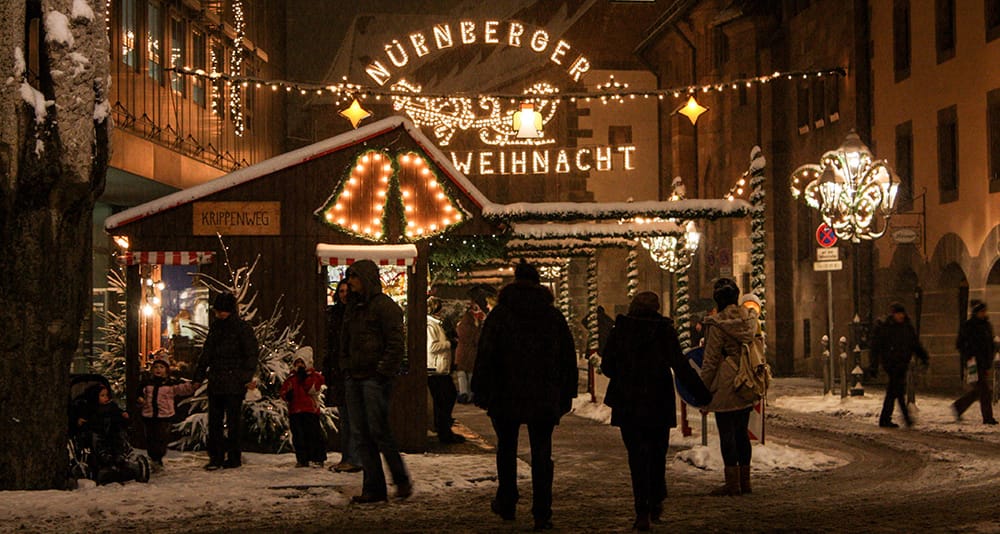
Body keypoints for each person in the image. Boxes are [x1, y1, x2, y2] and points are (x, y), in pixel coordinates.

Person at [472, 259, 577, 531]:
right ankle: (542, 510)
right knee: (542, 453)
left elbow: (486, 354)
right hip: (543, 395)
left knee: (506, 449)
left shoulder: (500, 314)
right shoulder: (552, 316)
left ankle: (507, 500)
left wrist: (481, 390)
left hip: (505, 393)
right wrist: (566, 394)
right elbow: (567, 356)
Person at [602, 292, 711, 531]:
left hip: (628, 402)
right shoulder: (664, 331)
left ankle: (642, 509)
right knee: (656, 453)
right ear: (657, 308)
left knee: (637, 457)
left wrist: (626, 369)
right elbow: (681, 366)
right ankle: (656, 499)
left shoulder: (620, 330)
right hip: (657, 401)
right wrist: (702, 394)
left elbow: (606, 366)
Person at [341, 259, 412, 503]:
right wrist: (347, 366)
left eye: (355, 277)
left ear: (367, 279)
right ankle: (374, 487)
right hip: (357, 376)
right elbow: (345, 340)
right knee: (362, 435)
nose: (350, 282)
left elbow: (395, 344)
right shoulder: (354, 308)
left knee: (378, 431)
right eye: (350, 277)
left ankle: (399, 480)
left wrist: (382, 373)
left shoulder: (383, 307)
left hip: (373, 378)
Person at [700, 278, 758, 496]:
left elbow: (711, 360)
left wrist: (702, 391)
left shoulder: (717, 324)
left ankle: (732, 483)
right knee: (742, 432)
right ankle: (746, 481)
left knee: (727, 433)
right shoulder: (749, 319)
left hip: (725, 383)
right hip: (746, 379)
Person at [193, 291, 259, 470]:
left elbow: (250, 354)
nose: (220, 314)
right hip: (223, 379)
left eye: (223, 310)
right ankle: (219, 456)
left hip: (231, 380)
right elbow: (207, 353)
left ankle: (229, 456)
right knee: (219, 421)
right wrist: (199, 375)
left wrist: (245, 377)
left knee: (231, 421)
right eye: (219, 310)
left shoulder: (237, 328)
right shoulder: (221, 328)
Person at [870, 302, 928, 428]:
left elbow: (915, 344)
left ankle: (887, 418)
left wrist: (924, 357)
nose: (900, 316)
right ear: (894, 314)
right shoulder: (886, 327)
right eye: (898, 314)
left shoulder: (907, 327)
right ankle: (904, 418)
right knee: (897, 389)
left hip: (902, 362)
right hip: (891, 363)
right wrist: (874, 364)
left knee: (895, 391)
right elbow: (876, 347)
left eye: (901, 313)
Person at [77, 383, 149, 484]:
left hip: (112, 432)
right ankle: (105, 459)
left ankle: (120, 457)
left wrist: (124, 415)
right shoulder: (89, 408)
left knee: (119, 437)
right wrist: (81, 421)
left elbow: (119, 415)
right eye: (102, 395)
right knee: (96, 440)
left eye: (107, 395)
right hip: (96, 433)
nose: (106, 398)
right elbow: (82, 420)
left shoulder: (112, 407)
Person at [325, 280, 362, 473]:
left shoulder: (354, 314)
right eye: (341, 291)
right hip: (340, 371)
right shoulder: (335, 314)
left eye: (347, 291)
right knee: (346, 417)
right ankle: (348, 456)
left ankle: (353, 458)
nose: (344, 294)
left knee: (352, 418)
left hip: (350, 370)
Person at [137, 357, 199, 471]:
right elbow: (139, 393)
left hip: (164, 416)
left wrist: (193, 386)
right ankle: (153, 457)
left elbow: (182, 389)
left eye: (161, 367)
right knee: (151, 437)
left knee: (161, 437)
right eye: (155, 367)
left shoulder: (170, 384)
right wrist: (140, 399)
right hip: (149, 415)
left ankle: (158, 457)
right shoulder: (147, 384)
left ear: (166, 370)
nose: (158, 370)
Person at [280, 347, 328, 467]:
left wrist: (304, 379)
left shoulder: (314, 376)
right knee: (298, 436)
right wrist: (287, 395)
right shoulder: (291, 378)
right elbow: (284, 391)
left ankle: (317, 458)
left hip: (309, 410)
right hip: (295, 411)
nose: (300, 365)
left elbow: (313, 389)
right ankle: (302, 459)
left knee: (313, 434)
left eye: (302, 362)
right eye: (297, 363)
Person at [952, 300, 998, 425]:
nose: (984, 314)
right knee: (984, 391)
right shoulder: (968, 326)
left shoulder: (987, 325)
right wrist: (968, 356)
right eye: (981, 311)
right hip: (973, 362)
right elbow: (960, 344)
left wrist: (990, 359)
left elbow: (990, 344)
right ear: (976, 312)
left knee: (979, 390)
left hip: (984, 362)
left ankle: (959, 406)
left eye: (984, 311)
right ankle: (987, 418)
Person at [427, 297, 465, 444]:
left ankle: (444, 429)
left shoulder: (436, 324)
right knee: (445, 397)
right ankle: (443, 431)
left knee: (445, 398)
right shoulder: (430, 325)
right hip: (436, 369)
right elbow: (432, 347)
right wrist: (449, 343)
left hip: (440, 368)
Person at [455, 284, 494, 403]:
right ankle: (469, 393)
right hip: (470, 351)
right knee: (468, 372)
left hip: (466, 351)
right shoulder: (474, 319)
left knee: (464, 373)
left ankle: (466, 393)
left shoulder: (468, 319)